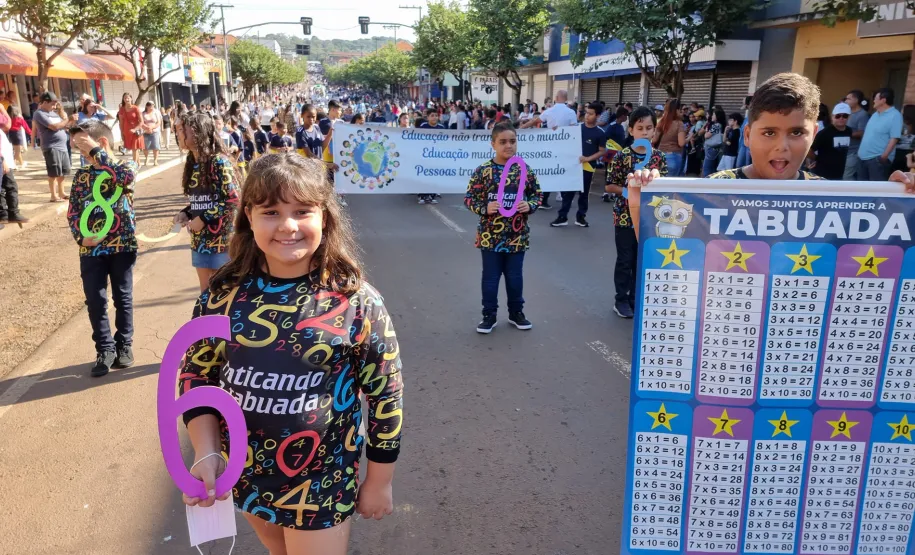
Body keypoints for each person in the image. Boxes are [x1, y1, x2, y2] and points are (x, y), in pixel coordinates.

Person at [178, 153, 403, 552]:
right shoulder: (222, 295)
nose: (287, 225)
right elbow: (197, 376)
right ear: (248, 215)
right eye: (271, 211)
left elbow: (386, 394)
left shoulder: (357, 302)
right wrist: (206, 452)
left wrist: (379, 479)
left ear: (325, 217)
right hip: (245, 473)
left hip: (321, 479)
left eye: (302, 211)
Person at [628, 73, 824, 244]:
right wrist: (638, 202)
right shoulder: (713, 190)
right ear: (746, 135)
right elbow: (660, 252)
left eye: (797, 132)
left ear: (814, 135)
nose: (782, 146)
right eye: (769, 133)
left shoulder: (830, 198)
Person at [66, 119, 138, 377]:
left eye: (83, 147)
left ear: (102, 143)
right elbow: (73, 211)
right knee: (95, 300)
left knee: (123, 296)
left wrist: (97, 152)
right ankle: (104, 349)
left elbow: (126, 178)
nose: (82, 154)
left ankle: (124, 345)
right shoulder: (82, 175)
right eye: (79, 149)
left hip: (122, 244)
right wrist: (80, 237)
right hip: (91, 250)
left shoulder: (124, 165)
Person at [464, 122, 542, 334]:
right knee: (490, 278)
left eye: (512, 141)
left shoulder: (524, 170)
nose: (508, 146)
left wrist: (530, 205)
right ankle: (488, 315)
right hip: (490, 237)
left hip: (517, 237)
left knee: (515, 277)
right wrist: (484, 208)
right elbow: (469, 198)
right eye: (503, 142)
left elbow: (537, 195)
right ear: (493, 144)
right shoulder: (483, 171)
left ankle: (516, 312)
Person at [605, 106, 668, 319]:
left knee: (642, 260)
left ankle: (636, 298)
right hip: (624, 217)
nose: (644, 132)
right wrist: (629, 193)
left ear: (654, 130)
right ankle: (621, 300)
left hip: (650, 219)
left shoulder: (659, 158)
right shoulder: (622, 157)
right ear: (631, 130)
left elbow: (667, 186)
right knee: (625, 259)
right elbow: (609, 185)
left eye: (648, 128)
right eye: (639, 128)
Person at [173, 113, 240, 291]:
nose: (177, 134)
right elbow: (204, 200)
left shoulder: (219, 162)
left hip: (222, 241)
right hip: (199, 241)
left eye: (181, 129)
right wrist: (186, 213)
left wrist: (202, 219)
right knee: (206, 292)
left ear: (197, 132)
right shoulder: (192, 163)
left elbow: (232, 199)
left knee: (224, 292)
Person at [551, 102, 606, 228]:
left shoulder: (600, 133)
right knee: (568, 193)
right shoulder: (576, 128)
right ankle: (562, 217)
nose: (587, 116)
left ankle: (580, 217)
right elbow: (563, 137)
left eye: (591, 114)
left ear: (597, 116)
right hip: (573, 166)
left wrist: (588, 158)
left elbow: (602, 151)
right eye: (586, 113)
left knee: (584, 194)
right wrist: (555, 130)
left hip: (588, 168)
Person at [32, 91, 77, 202]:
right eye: (52, 103)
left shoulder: (54, 113)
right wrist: (68, 119)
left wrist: (70, 124)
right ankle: (53, 195)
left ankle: (61, 193)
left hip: (62, 146)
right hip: (51, 146)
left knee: (62, 171)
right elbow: (54, 126)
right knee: (53, 171)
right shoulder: (39, 113)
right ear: (45, 102)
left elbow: (62, 126)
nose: (55, 106)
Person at [858, 88, 903, 181]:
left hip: (876, 160)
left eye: (876, 98)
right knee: (862, 191)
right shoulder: (875, 114)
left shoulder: (895, 115)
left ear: (883, 100)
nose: (873, 100)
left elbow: (894, 138)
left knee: (875, 192)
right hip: (862, 158)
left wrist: (883, 157)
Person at [807, 102, 853, 180]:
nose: (841, 118)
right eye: (838, 116)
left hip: (841, 171)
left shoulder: (849, 130)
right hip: (823, 173)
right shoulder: (824, 133)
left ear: (849, 117)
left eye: (845, 116)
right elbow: (809, 150)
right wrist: (817, 159)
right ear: (832, 117)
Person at [0, 123, 28, 226]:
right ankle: (7, 214)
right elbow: (7, 123)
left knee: (8, 187)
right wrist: (2, 160)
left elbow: (6, 124)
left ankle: (10, 213)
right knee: (8, 187)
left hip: (5, 160)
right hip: (3, 161)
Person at [417, 109, 445, 205]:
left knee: (434, 175)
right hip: (424, 155)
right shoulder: (423, 126)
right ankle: (422, 195)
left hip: (436, 156)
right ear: (428, 117)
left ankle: (432, 195)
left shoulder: (441, 128)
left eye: (436, 115)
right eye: (432, 115)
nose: (434, 117)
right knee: (424, 175)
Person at [653, 98, 686, 178]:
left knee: (660, 184)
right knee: (670, 187)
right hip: (673, 156)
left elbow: (654, 139)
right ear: (677, 110)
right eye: (680, 110)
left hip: (660, 156)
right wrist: (688, 138)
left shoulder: (661, 122)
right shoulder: (679, 124)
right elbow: (681, 143)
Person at [842, 90, 870, 180]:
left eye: (849, 99)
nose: (846, 101)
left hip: (853, 152)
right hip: (844, 150)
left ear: (856, 100)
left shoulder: (862, 114)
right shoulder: (847, 113)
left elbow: (862, 133)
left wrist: (845, 133)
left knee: (847, 177)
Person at [117, 93, 143, 165]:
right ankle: (138, 163)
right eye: (125, 98)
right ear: (123, 99)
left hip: (135, 132)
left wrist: (135, 129)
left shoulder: (136, 108)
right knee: (133, 148)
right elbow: (121, 123)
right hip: (126, 131)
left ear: (131, 99)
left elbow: (141, 122)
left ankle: (134, 165)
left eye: (128, 98)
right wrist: (122, 133)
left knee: (135, 148)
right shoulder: (122, 109)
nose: (127, 99)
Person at [702, 109, 726, 177]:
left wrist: (706, 131)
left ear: (717, 116)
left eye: (713, 115)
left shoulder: (716, 125)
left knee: (707, 168)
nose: (712, 116)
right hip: (716, 149)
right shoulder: (722, 125)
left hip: (711, 149)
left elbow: (706, 135)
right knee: (712, 169)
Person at [8, 105, 31, 169]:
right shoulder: (19, 119)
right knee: (18, 151)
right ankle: (13, 164)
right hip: (17, 135)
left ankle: (21, 163)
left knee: (16, 151)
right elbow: (26, 127)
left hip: (10, 135)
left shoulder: (8, 119)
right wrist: (31, 133)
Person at [140, 101, 162, 166]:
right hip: (145, 132)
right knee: (145, 147)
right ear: (147, 106)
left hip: (155, 131)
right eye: (150, 105)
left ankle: (155, 160)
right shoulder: (143, 113)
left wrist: (152, 128)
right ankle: (147, 158)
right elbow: (141, 123)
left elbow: (158, 122)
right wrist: (147, 128)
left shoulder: (156, 112)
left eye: (152, 105)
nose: (151, 106)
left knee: (155, 146)